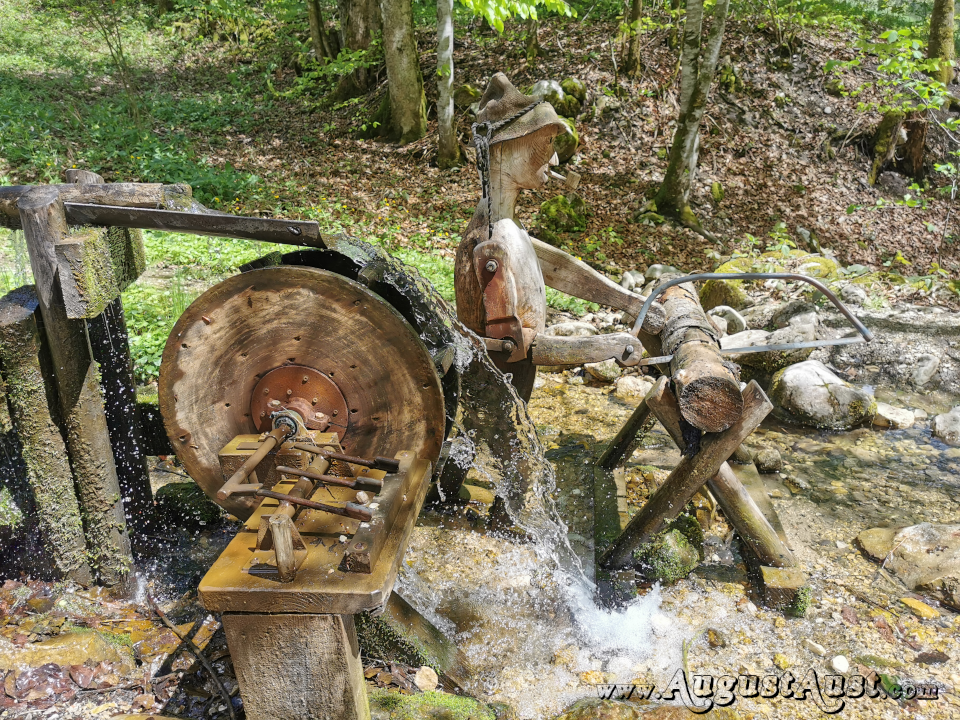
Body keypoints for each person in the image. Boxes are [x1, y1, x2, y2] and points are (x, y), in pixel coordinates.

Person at [455, 74, 648, 400]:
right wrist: (611, 346)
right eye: (546, 143)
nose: (555, 158)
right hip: (495, 400)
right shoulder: (488, 242)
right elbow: (510, 347)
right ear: (502, 151)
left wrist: (629, 301)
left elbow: (553, 266)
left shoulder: (506, 226)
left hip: (512, 393)